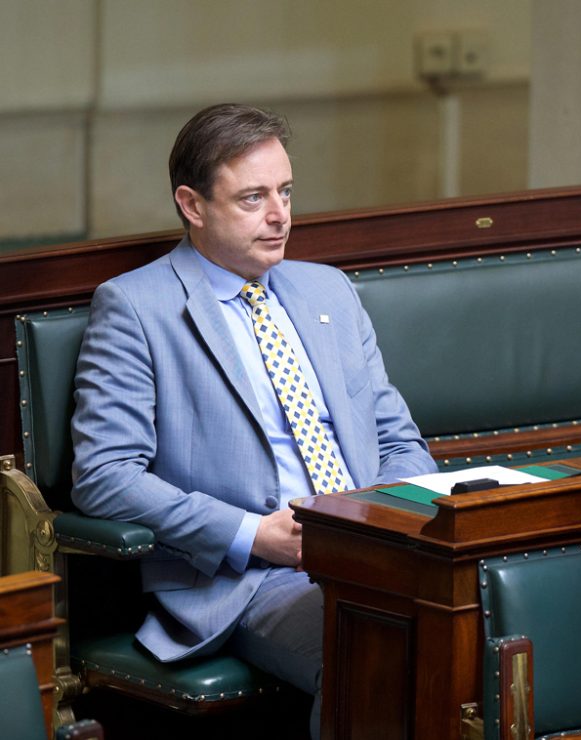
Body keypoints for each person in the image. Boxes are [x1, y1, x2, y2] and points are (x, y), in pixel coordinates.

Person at [70, 103, 438, 738]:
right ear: (192, 204)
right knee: (380, 649)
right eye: (253, 198)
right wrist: (251, 534)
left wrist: (386, 520)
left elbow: (396, 437)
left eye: (286, 192)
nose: (281, 216)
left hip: (373, 550)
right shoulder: (135, 307)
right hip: (250, 577)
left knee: (488, 621)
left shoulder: (328, 291)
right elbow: (104, 474)